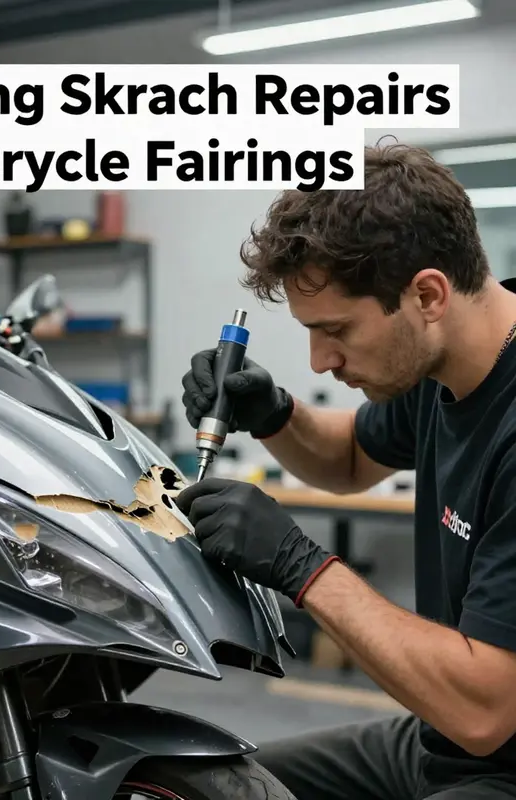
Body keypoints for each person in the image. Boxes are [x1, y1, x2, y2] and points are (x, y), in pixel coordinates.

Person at [176, 142, 516, 799]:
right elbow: (352, 459)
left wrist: (302, 567)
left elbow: (486, 711)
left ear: (428, 294)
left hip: (499, 757)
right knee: (212, 789)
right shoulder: (445, 360)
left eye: (336, 330)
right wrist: (274, 413)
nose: (319, 360)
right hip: (438, 742)